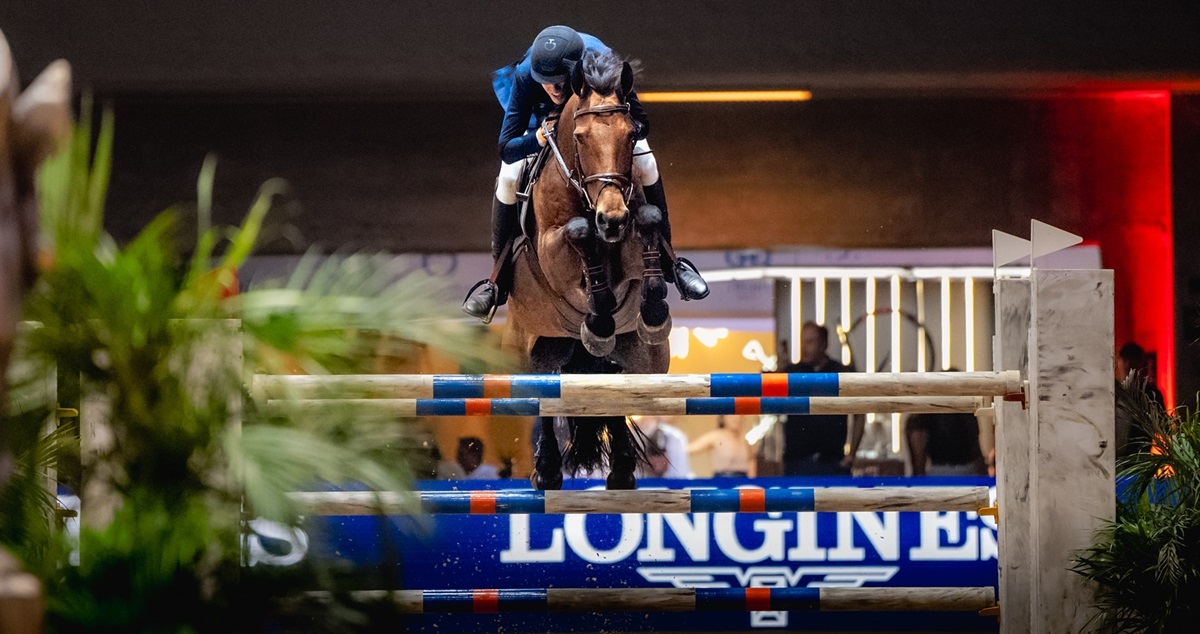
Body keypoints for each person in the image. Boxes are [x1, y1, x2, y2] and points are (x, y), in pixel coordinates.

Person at [461, 24, 709, 323]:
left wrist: (611, 128)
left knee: (647, 163)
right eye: (546, 82)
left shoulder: (605, 65)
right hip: (543, 124)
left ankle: (673, 264)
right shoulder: (528, 75)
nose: (553, 88)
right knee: (510, 176)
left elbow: (641, 123)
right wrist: (537, 139)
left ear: (575, 71)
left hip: (601, 119)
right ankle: (497, 282)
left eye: (559, 82)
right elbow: (507, 147)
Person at [774, 321, 865, 476]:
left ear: (824, 344)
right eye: (802, 342)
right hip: (796, 463)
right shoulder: (792, 372)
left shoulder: (840, 372)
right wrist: (779, 375)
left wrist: (851, 455)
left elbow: (860, 413)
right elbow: (774, 407)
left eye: (810, 342)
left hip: (833, 463)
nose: (804, 348)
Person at [1114, 341, 1166, 457]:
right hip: (1126, 458)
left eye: (1132, 361)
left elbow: (1163, 426)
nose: (1128, 365)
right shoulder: (1115, 390)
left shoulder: (1150, 392)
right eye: (1126, 361)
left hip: (1138, 457)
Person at [904, 411, 988, 476]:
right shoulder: (965, 413)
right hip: (964, 472)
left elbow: (918, 464)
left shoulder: (919, 419)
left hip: (943, 474)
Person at [688, 415, 757, 478]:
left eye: (738, 415)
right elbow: (689, 449)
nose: (735, 418)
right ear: (722, 417)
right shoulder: (715, 436)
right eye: (731, 414)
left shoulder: (746, 439)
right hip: (720, 483)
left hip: (743, 484)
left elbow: (752, 463)